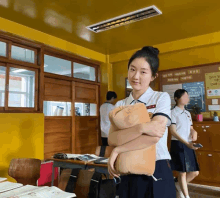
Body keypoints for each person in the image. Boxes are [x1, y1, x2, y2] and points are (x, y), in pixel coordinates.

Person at [108, 46, 176, 198]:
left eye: (143, 72)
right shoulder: (120, 105)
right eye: (132, 69)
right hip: (126, 166)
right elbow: (112, 139)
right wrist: (142, 128)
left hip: (156, 166)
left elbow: (155, 135)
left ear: (153, 76)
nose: (135, 76)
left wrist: (119, 149)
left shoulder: (160, 98)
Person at [169, 89, 200, 198]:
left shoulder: (187, 113)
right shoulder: (173, 112)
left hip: (189, 144)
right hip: (178, 144)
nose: (187, 98)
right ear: (177, 98)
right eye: (185, 96)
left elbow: (191, 127)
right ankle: (186, 196)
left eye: (187, 96)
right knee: (182, 172)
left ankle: (178, 184)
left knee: (195, 172)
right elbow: (173, 131)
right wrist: (186, 143)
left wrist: (194, 131)